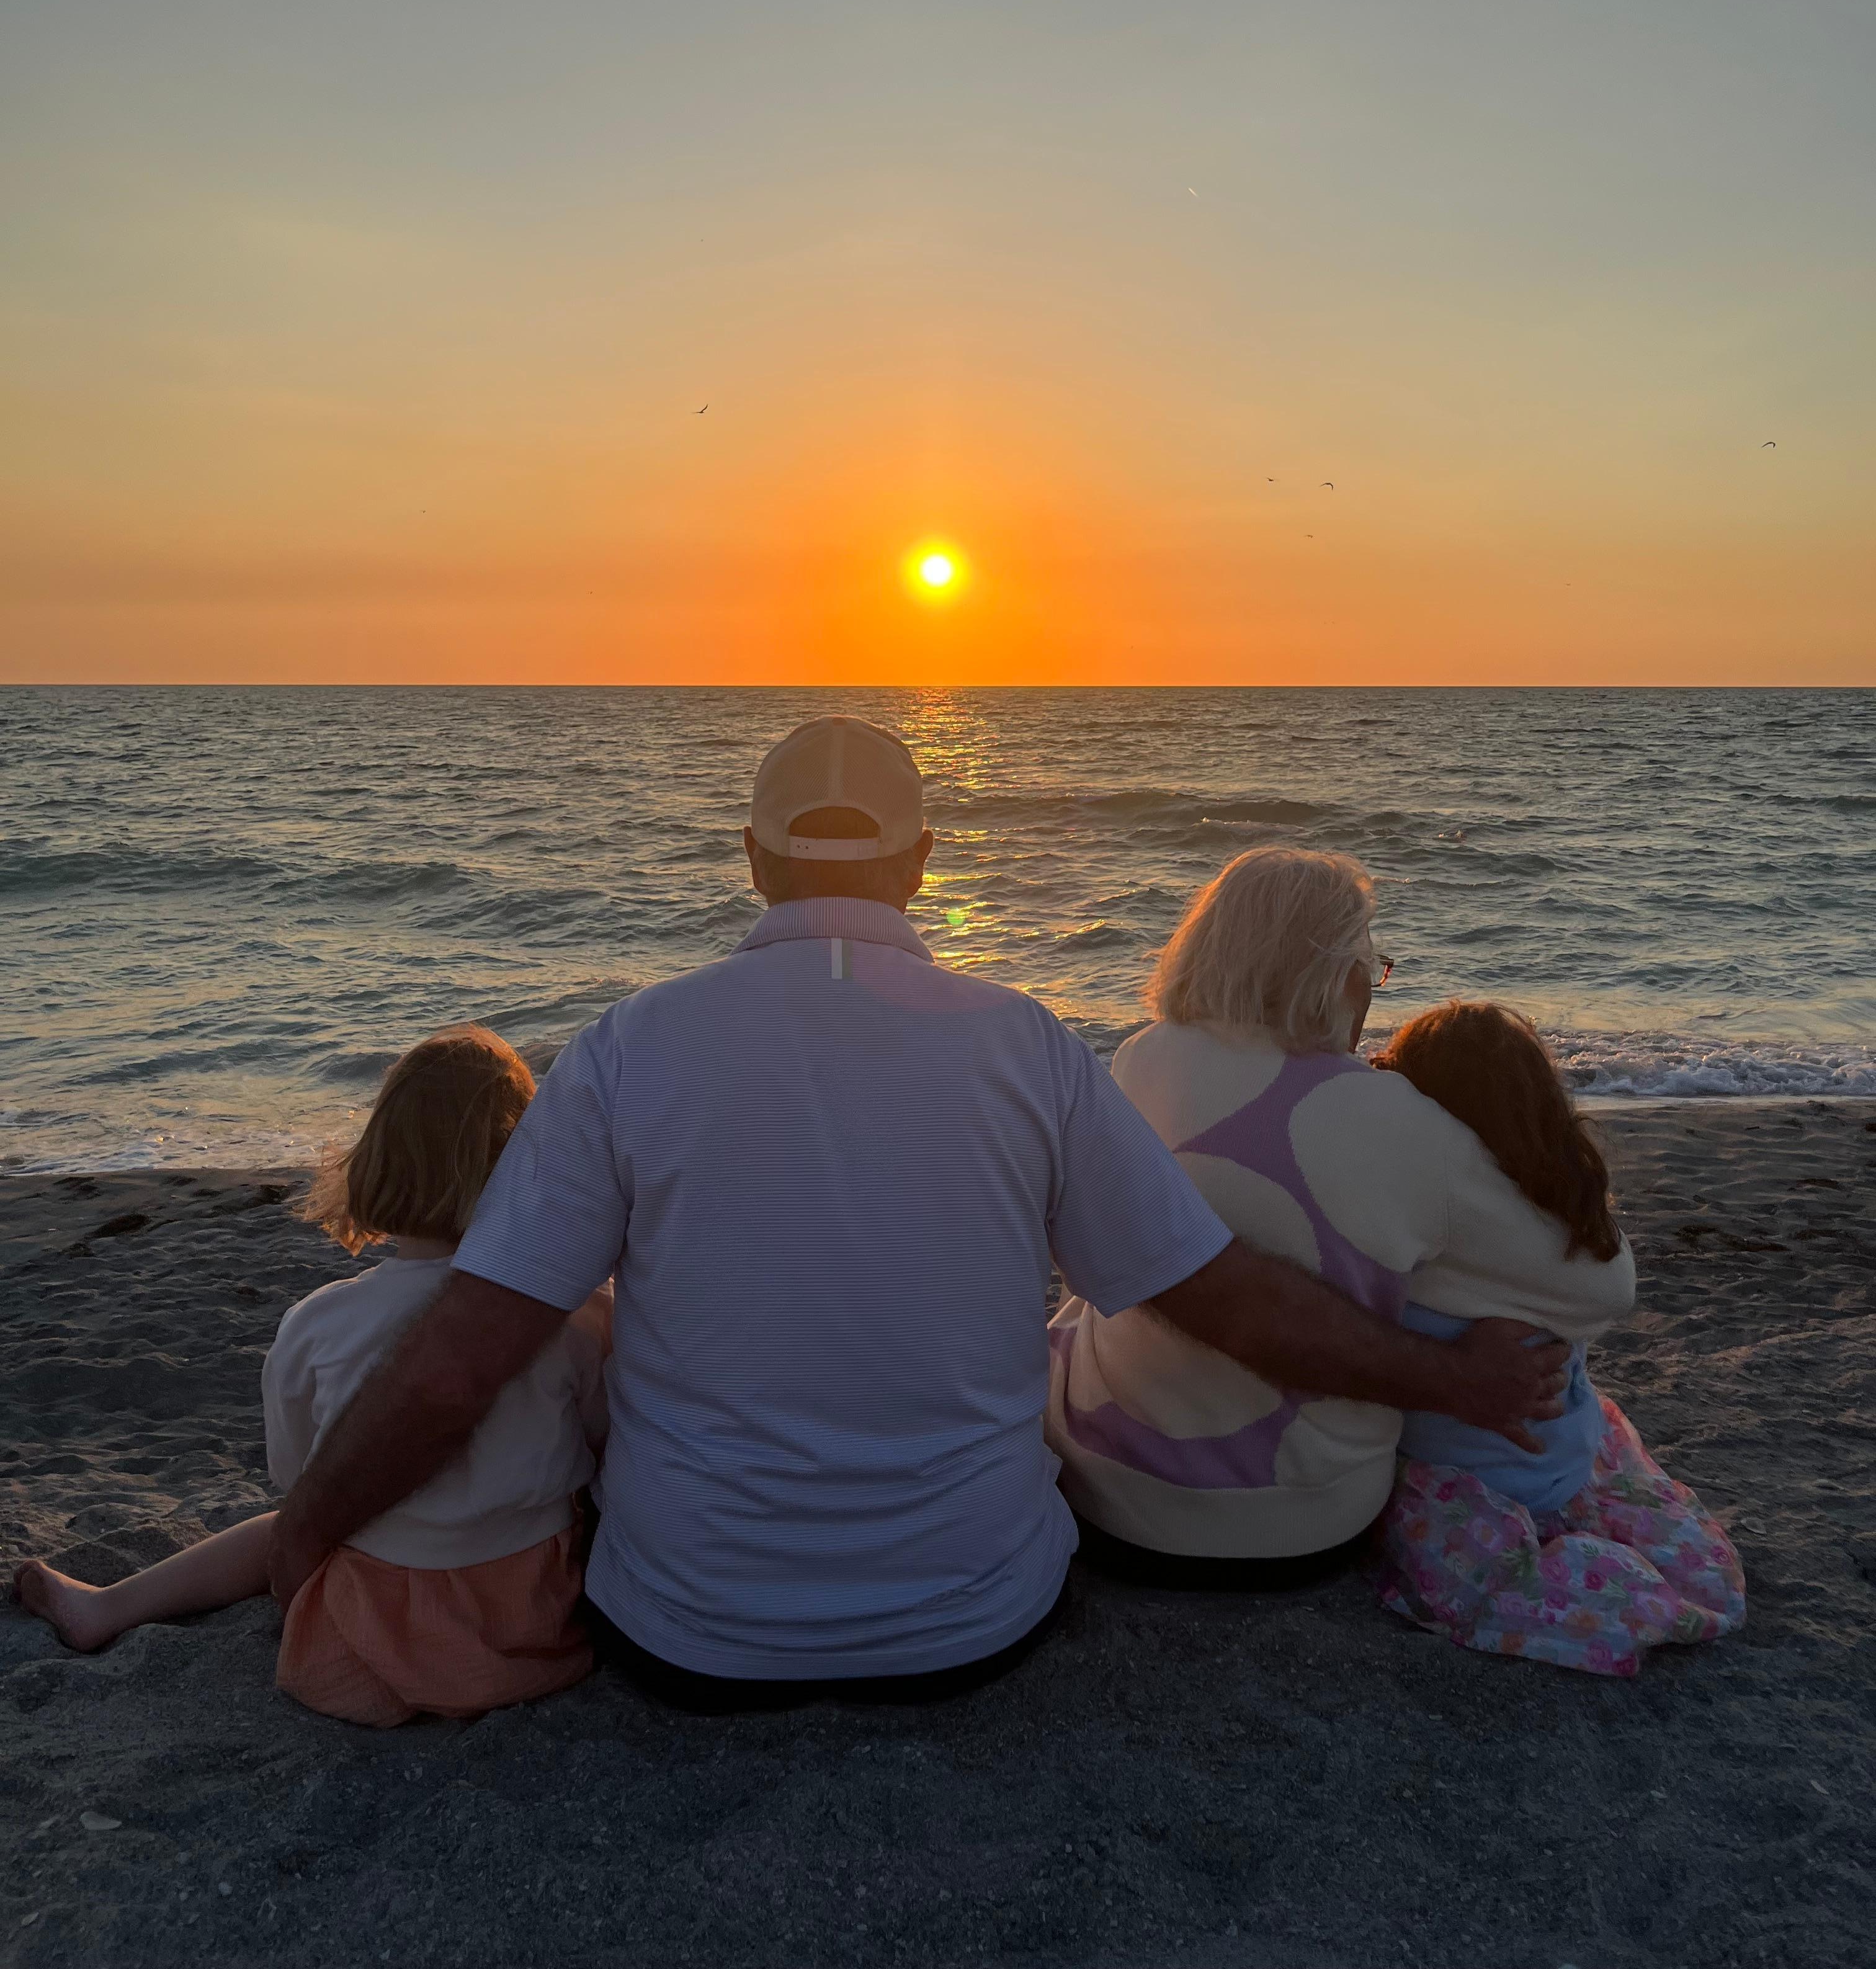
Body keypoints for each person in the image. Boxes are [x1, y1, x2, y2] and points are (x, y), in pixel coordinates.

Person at [263, 718, 1568, 1713]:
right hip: (973, 1628)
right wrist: (1448, 1376)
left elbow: (463, 1358)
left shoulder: (628, 1049)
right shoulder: (1028, 1047)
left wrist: (308, 1531)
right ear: (925, 865)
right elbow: (1213, 1293)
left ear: (754, 859)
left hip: (689, 1638)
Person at [1047, 845, 1637, 1589]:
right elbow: (1603, 1288)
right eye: (1372, 965)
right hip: (1295, 1527)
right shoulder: (1407, 1126)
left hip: (1098, 1489)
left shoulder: (1142, 1058)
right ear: (1340, 973)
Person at [13, 1027, 610, 1728]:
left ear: (378, 1159)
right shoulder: (576, 1314)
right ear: (521, 1165)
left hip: (376, 1638)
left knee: (277, 1527)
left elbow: (300, 1477)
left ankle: (108, 1608)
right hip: (534, 1626)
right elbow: (602, 1443)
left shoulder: (318, 1323)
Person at [1370, 1000, 1745, 1673]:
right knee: (1697, 1567)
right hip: (1563, 1468)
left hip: (1456, 1483)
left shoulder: (1415, 1224)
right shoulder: (1558, 1225)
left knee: (1470, 1584)